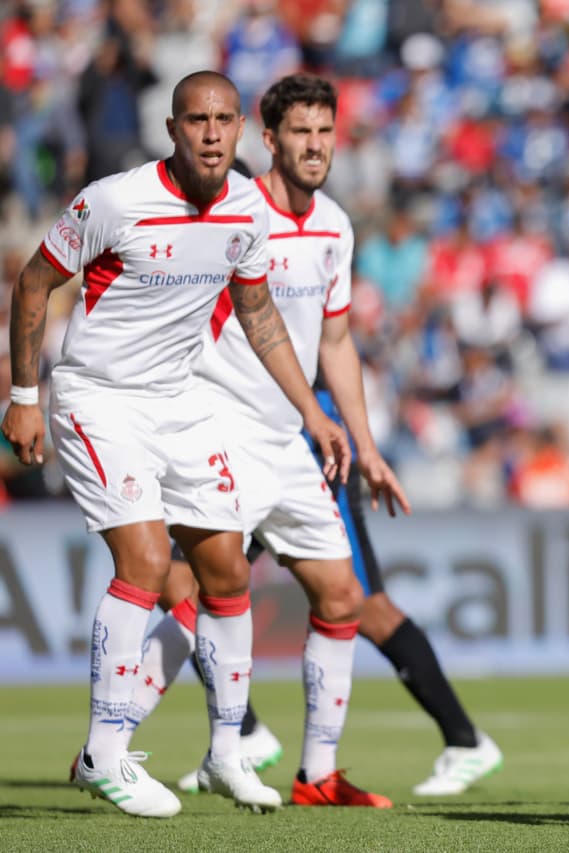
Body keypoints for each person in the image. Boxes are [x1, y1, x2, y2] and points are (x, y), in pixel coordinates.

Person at [123, 73, 502, 802]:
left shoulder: (335, 224)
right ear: (269, 140)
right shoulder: (234, 212)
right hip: (220, 431)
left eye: (325, 131)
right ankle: (123, 741)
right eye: (300, 132)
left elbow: (336, 343)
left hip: (301, 439)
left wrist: (363, 442)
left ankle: (310, 770)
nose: (316, 145)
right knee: (192, 584)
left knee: (339, 596)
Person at [0, 70, 350, 818]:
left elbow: (258, 314)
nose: (214, 133)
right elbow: (34, 283)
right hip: (99, 400)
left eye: (225, 119)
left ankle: (227, 749)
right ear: (173, 129)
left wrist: (312, 411)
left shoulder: (247, 210)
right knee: (151, 562)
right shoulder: (116, 200)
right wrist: (24, 396)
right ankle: (104, 752)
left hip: (179, 401)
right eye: (198, 120)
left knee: (225, 568)